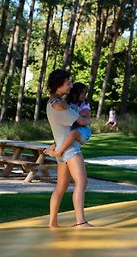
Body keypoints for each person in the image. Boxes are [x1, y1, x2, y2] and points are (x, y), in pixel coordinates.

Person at [44, 69, 94, 228]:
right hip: (70, 149)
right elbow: (81, 121)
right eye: (68, 83)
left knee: (61, 186)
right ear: (58, 86)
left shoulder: (51, 102)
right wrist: (90, 120)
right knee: (82, 182)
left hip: (61, 147)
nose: (71, 86)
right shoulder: (59, 105)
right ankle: (81, 221)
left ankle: (52, 223)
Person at [45, 82, 91, 158]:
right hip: (72, 129)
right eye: (82, 93)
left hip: (83, 130)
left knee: (73, 134)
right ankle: (54, 145)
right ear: (75, 93)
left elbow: (86, 113)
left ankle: (59, 152)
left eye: (85, 93)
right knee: (61, 135)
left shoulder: (84, 104)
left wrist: (74, 114)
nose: (84, 95)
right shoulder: (67, 103)